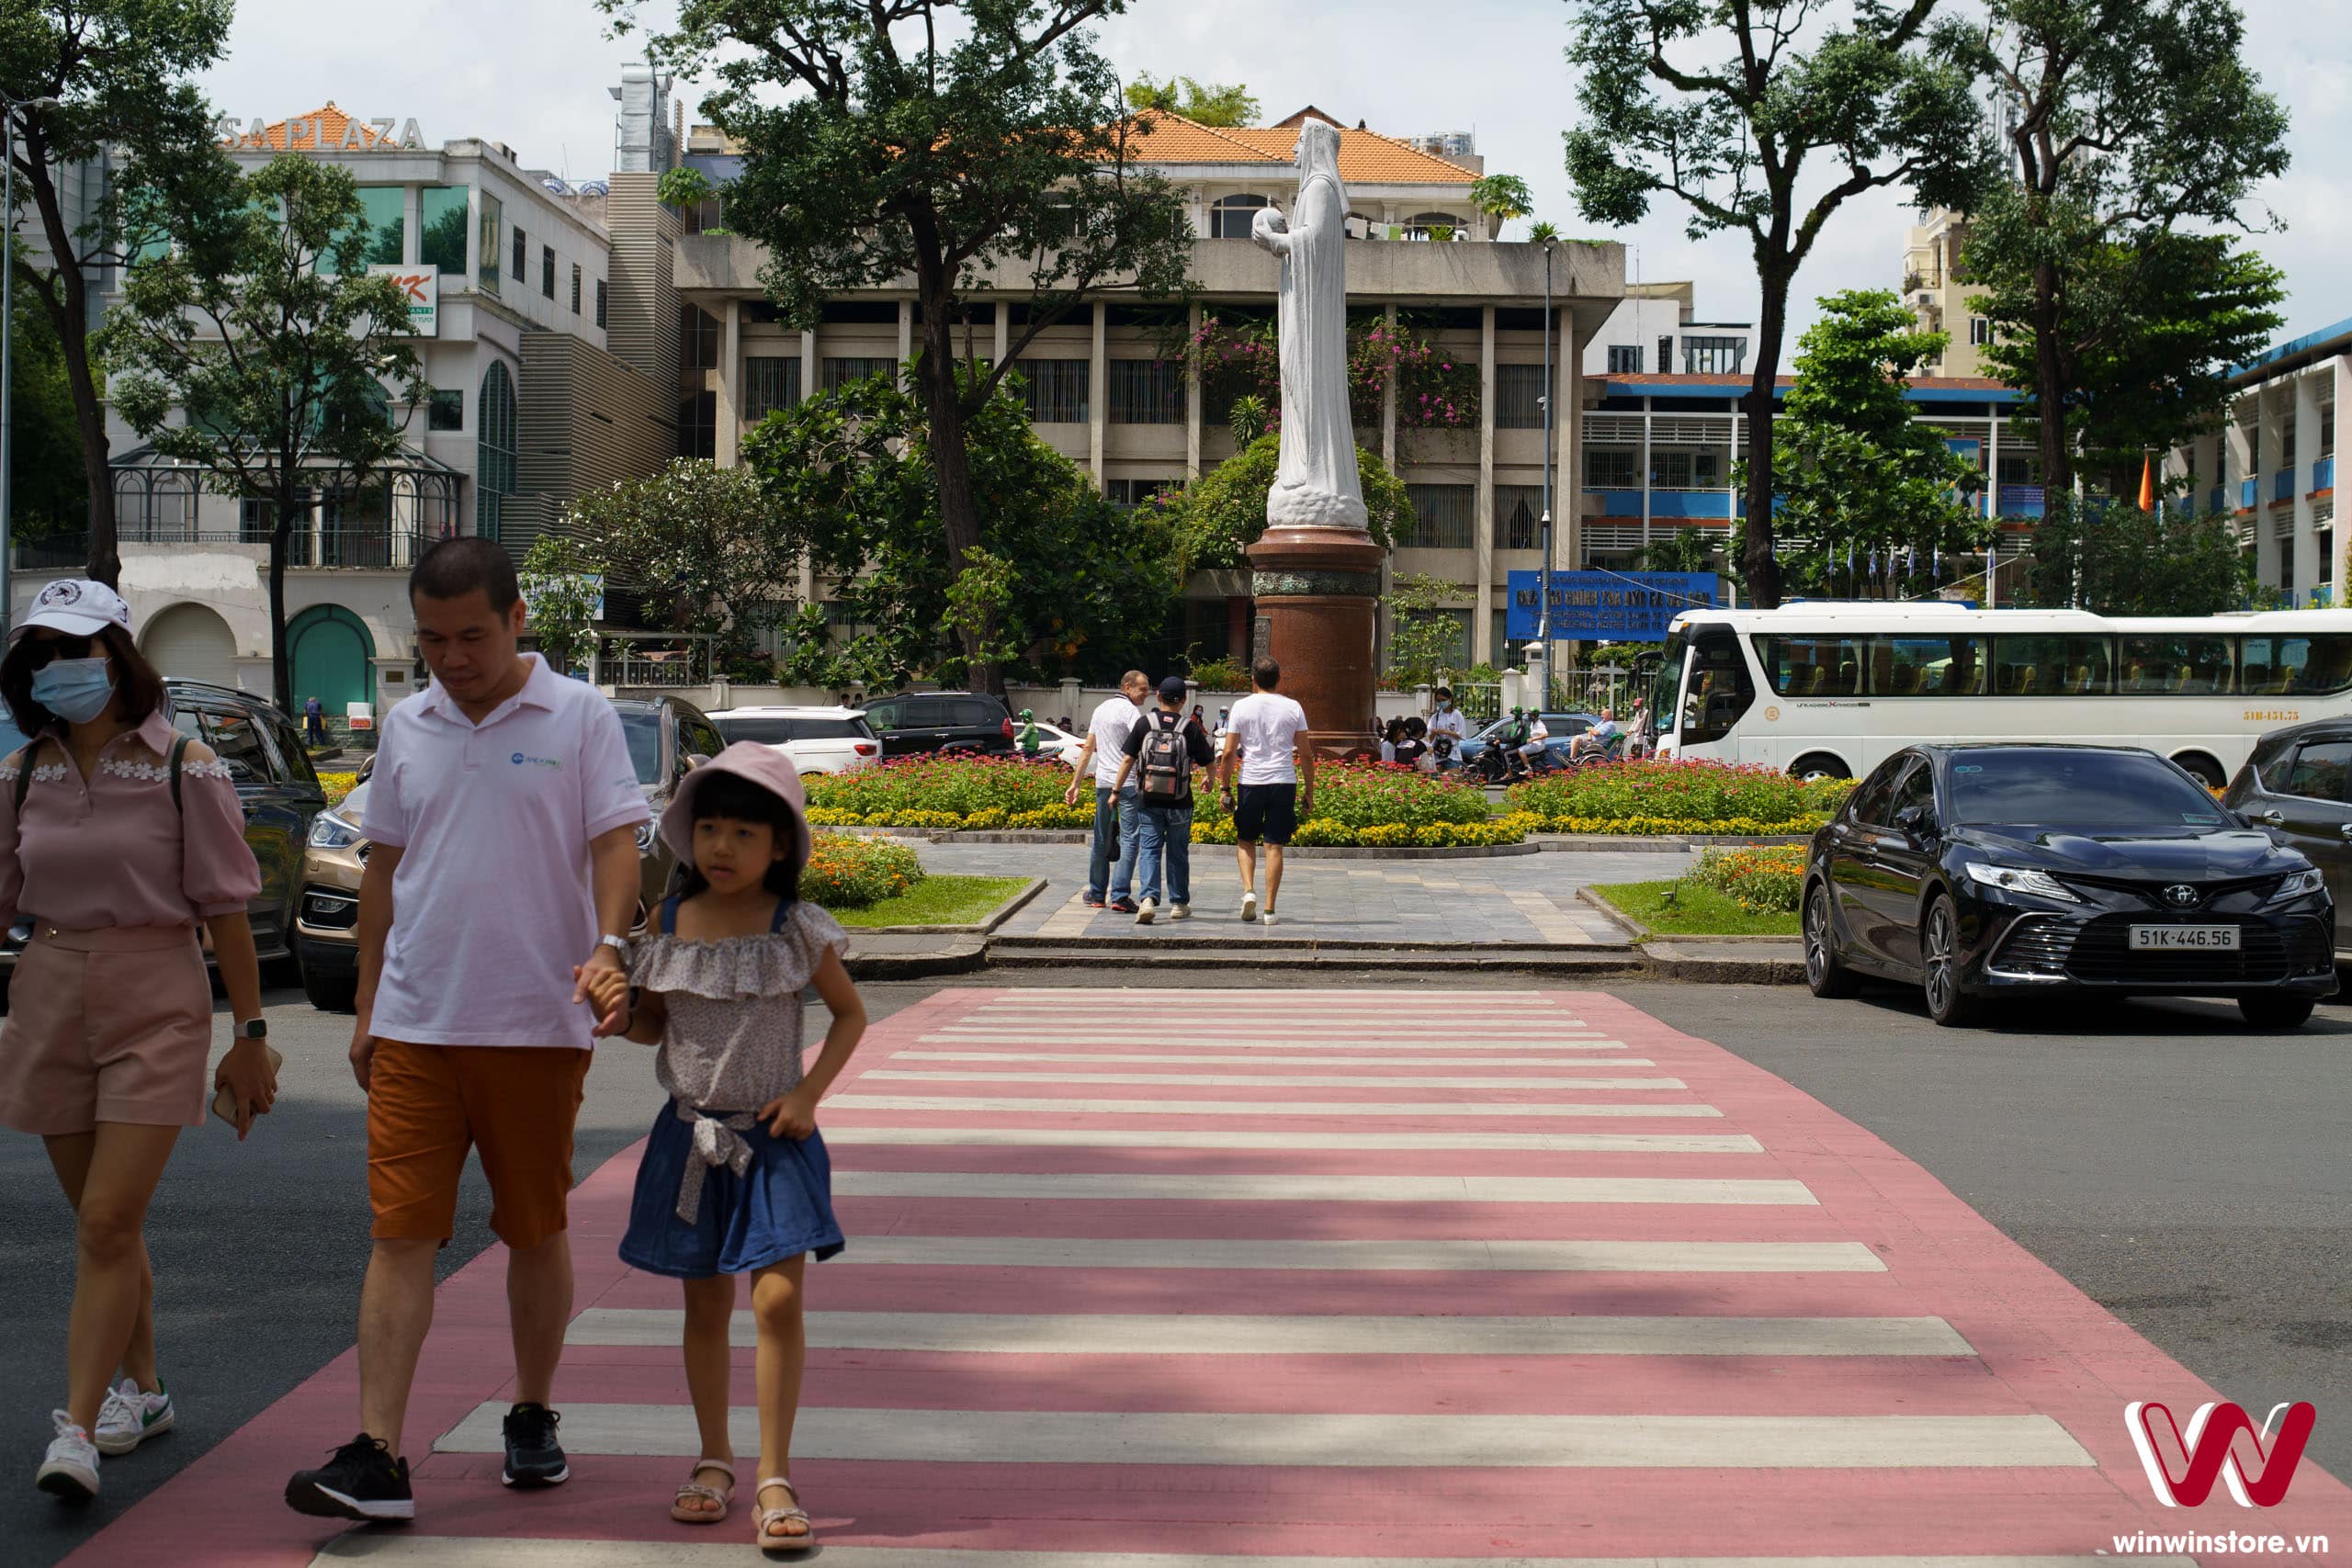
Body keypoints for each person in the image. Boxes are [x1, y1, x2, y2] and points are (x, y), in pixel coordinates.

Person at [285, 538, 650, 1524]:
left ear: (518, 616)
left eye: (473, 636)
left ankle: (531, 1415)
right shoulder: (408, 725)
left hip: (537, 1020)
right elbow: (382, 871)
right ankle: (375, 1454)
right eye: (434, 639)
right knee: (400, 1233)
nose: (453, 658)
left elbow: (614, 841)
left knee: (533, 1229)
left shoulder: (580, 716)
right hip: (416, 1020)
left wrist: (611, 944)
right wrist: (366, 1009)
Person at [0, 579, 273, 1504]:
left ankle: (75, 1429)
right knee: (101, 1228)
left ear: (119, 659)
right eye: (41, 654)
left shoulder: (185, 764)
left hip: (156, 993)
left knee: (110, 1220)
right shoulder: (22, 772)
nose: (59, 670)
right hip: (46, 991)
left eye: (76, 651)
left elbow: (228, 911)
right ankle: (146, 1393)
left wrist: (253, 1034)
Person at [578, 743, 864, 1553]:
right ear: (685, 837)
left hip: (774, 1140)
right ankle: (714, 1458)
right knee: (703, 1304)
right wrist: (616, 1012)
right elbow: (654, 1025)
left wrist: (807, 1094)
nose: (723, 847)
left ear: (780, 846)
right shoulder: (665, 923)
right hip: (688, 1138)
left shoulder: (795, 927)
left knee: (775, 1300)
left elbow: (850, 1016)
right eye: (708, 828)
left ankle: (775, 1473)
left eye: (745, 831)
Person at [1217, 658, 1315, 928]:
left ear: (1253, 679)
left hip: (1251, 780)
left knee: (1246, 840)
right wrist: (1309, 790)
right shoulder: (1293, 707)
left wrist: (1224, 787)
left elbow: (1227, 753)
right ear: (1278, 678)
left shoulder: (1241, 707)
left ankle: (1249, 890)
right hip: (1283, 780)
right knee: (1274, 846)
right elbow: (1306, 753)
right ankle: (1270, 909)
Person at [1112, 675, 1215, 924]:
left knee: (1149, 849)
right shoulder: (1188, 727)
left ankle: (1148, 899)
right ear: (1185, 700)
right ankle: (1179, 904)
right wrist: (1210, 780)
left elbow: (1127, 759)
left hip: (1148, 801)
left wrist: (1115, 791)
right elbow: (1209, 760)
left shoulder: (1144, 723)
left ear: (1158, 697)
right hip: (1180, 802)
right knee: (1178, 852)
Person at [1062, 671, 1149, 914]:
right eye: (1142, 689)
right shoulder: (1130, 712)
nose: (1147, 693)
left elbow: (1088, 747)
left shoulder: (1100, 709)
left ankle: (1097, 893)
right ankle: (1120, 895)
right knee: (1130, 838)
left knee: (1101, 837)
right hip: (1128, 784)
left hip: (1102, 783)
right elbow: (1141, 746)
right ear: (1127, 687)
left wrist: (1075, 783)